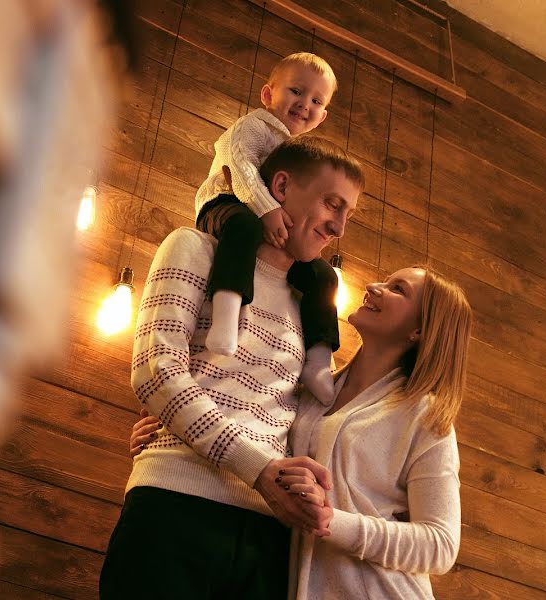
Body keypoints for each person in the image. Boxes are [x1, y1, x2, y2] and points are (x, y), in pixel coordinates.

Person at [99, 136, 364, 600]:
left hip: (270, 533)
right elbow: (156, 372)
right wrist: (260, 470)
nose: (339, 227)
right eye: (332, 204)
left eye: (349, 214)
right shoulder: (194, 248)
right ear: (280, 186)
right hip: (174, 505)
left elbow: (305, 417)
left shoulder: (311, 304)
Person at [130, 266, 472, 599]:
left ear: (419, 331)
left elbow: (440, 546)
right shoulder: (312, 392)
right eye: (386, 280)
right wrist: (168, 428)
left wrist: (331, 522)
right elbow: (256, 426)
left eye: (398, 289)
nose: (374, 286)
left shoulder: (426, 416)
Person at [195, 52, 341, 405]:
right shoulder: (253, 127)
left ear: (322, 116)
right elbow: (239, 167)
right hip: (226, 206)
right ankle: (226, 316)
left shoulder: (302, 154)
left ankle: (319, 358)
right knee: (243, 228)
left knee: (323, 275)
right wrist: (266, 209)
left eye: (316, 101)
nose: (304, 104)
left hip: (271, 224)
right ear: (267, 94)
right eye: (296, 91)